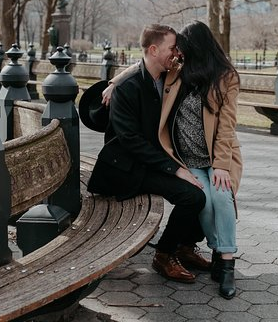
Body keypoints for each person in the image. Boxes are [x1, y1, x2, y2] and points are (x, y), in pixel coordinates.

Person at [103, 21, 243, 299]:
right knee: (201, 197)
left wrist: (222, 166)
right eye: (175, 48)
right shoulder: (178, 71)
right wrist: (114, 82)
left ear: (194, 47)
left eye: (181, 47)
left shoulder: (226, 77)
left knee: (222, 197)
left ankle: (226, 263)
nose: (177, 52)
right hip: (184, 157)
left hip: (218, 158)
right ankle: (208, 251)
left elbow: (227, 126)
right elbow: (145, 61)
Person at [87, 24, 211, 284]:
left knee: (203, 191)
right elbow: (130, 141)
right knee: (193, 196)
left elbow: (144, 64)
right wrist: (175, 169)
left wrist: (114, 78)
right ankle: (164, 255)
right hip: (126, 168)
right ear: (154, 50)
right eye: (171, 48)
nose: (176, 54)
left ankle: (185, 247)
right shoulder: (127, 89)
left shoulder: (166, 78)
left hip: (151, 162)